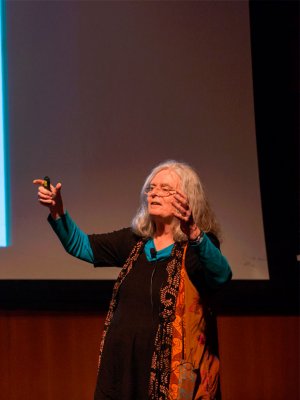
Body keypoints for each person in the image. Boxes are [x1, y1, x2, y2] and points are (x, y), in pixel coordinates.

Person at [33, 160, 232, 400]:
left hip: (171, 374)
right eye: (151, 188)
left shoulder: (198, 246)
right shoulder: (135, 242)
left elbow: (221, 276)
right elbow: (82, 246)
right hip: (122, 369)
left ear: (188, 198)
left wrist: (195, 234)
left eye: (165, 188)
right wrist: (57, 213)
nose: (154, 193)